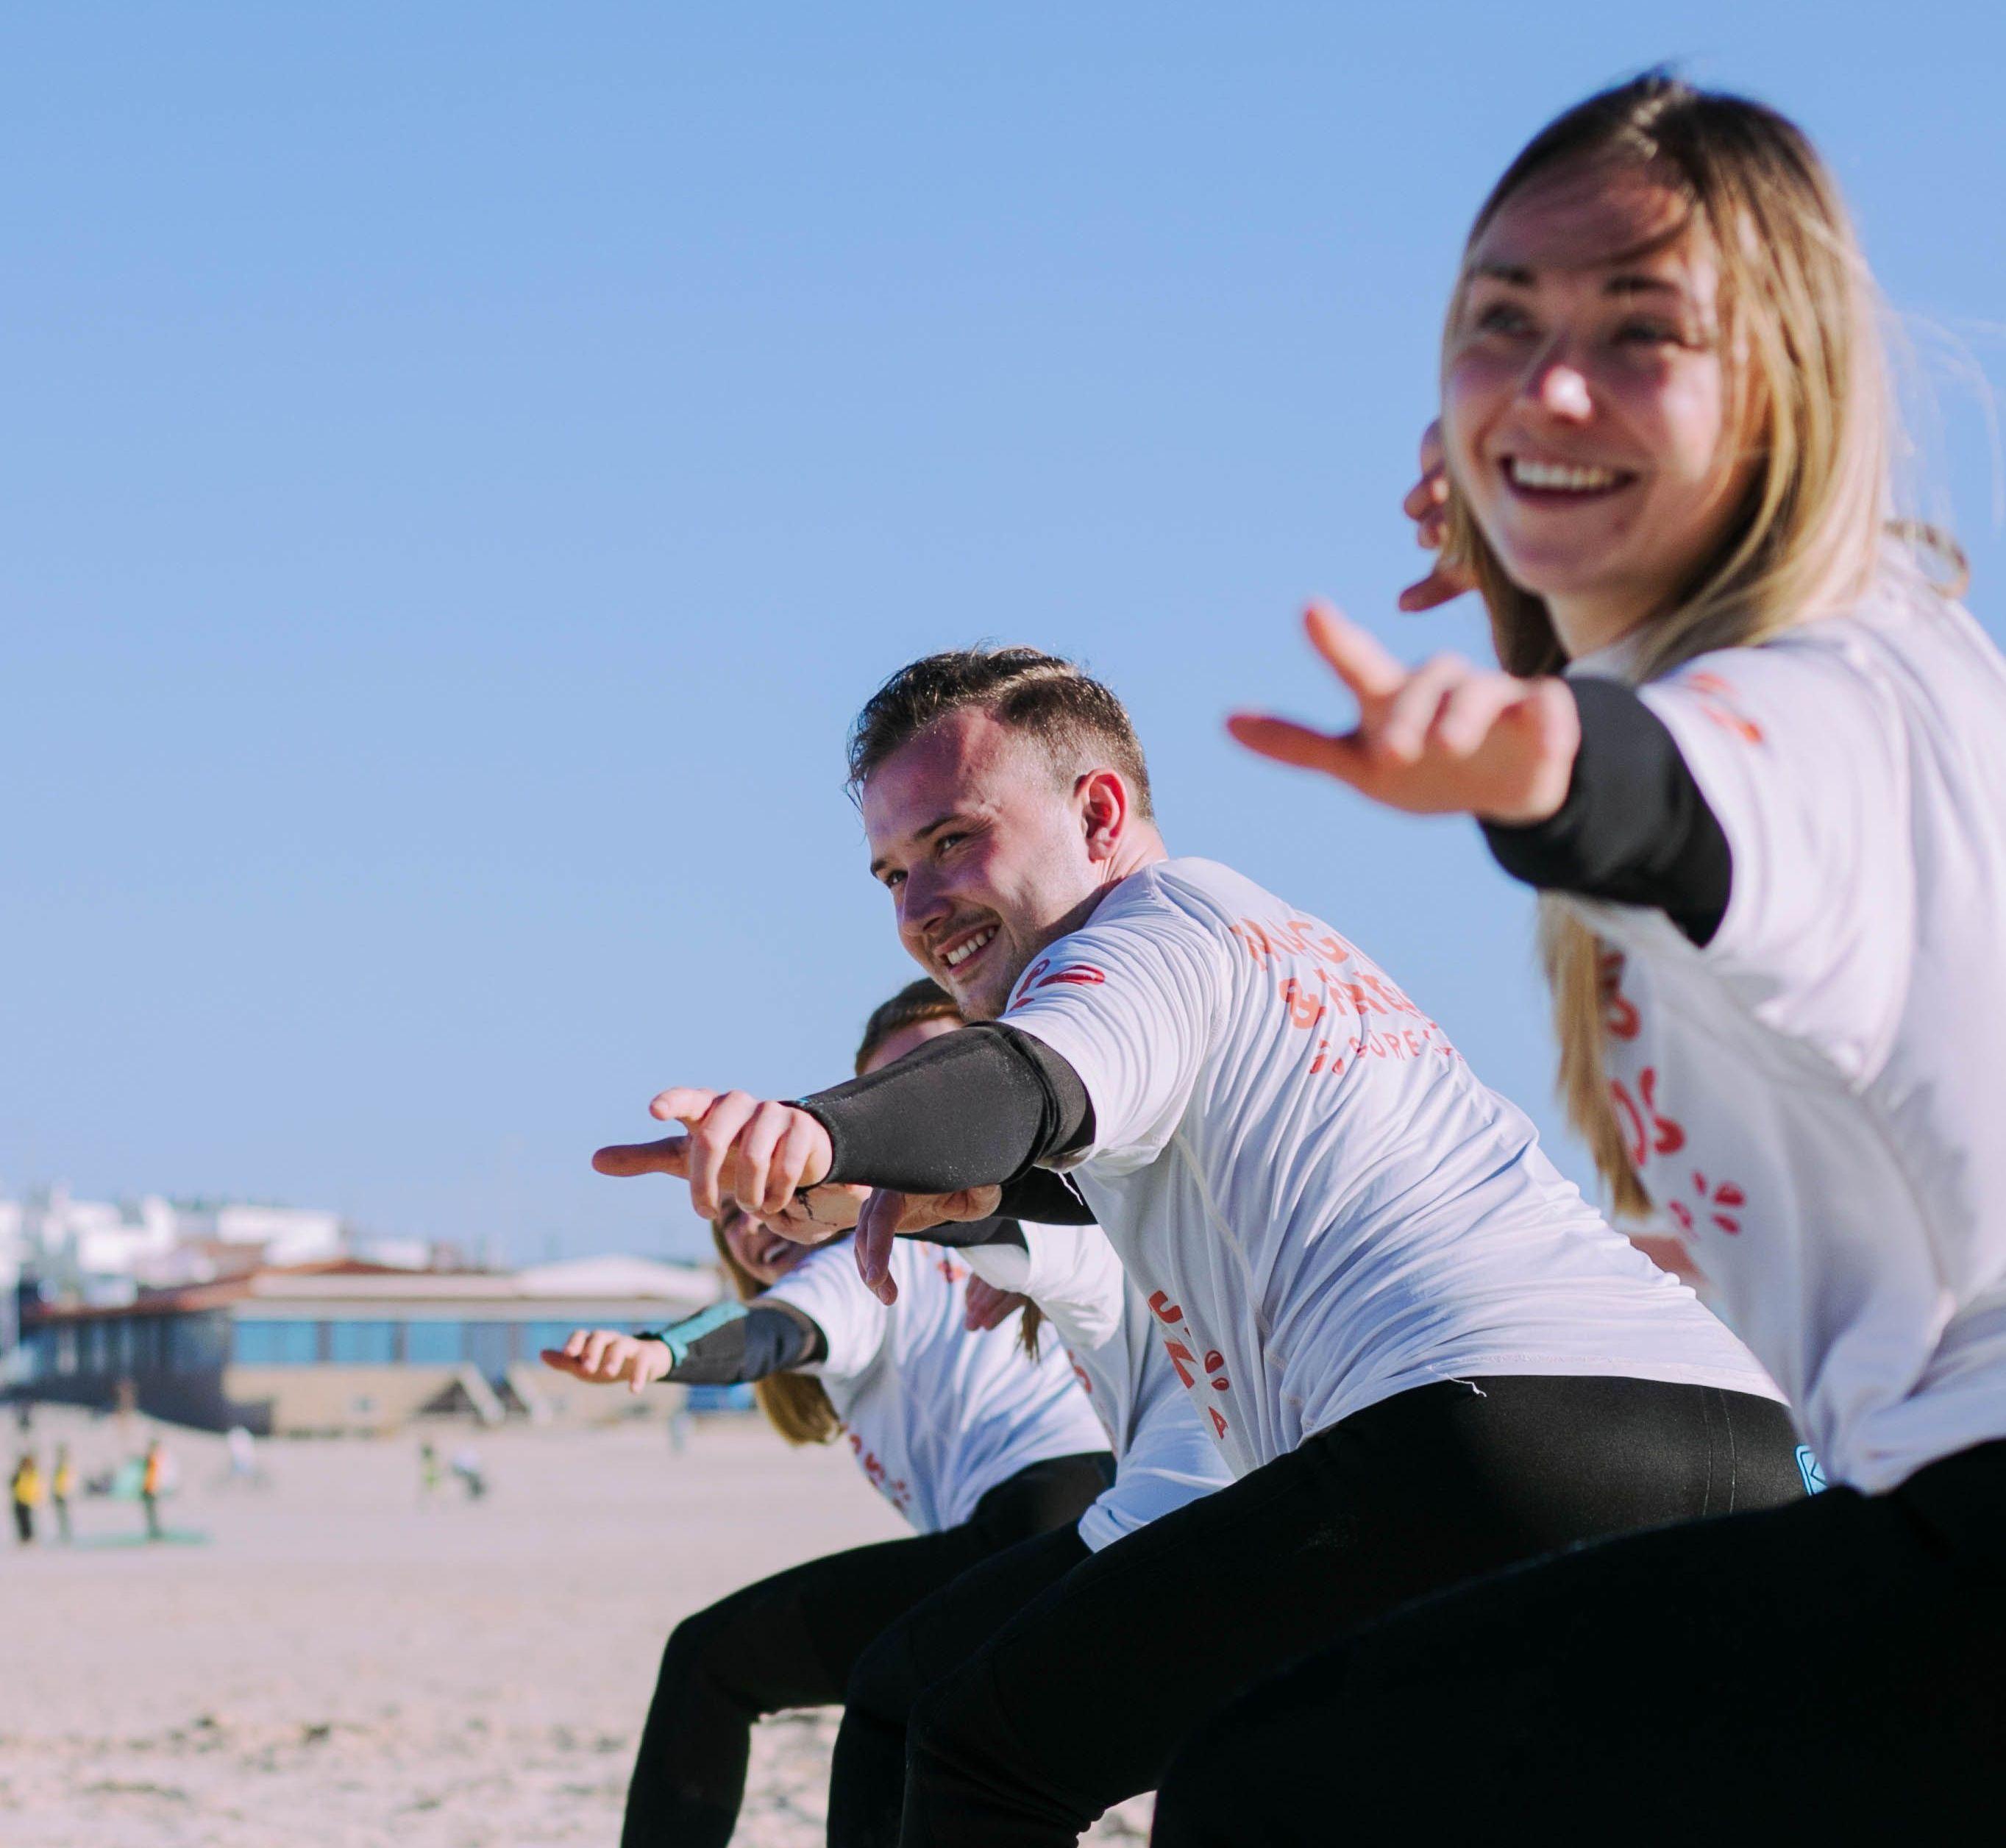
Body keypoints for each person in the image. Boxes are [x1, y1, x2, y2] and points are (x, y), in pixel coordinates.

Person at [1153, 73, 2006, 1844]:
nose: (1551, 383)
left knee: (1275, 1788)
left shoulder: (1823, 706)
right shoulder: (1879, 630)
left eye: (1638, 330)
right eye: (1501, 323)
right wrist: (1533, 573)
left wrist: (1537, 755)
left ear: (1779, 384)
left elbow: (1678, 793)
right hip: (1922, 1515)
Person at [596, 644, 1805, 1846]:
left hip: (1484, 1439)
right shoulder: (1276, 944)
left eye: (953, 840)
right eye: (892, 873)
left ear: (1098, 813)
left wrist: (820, 1127)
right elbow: (1118, 1150)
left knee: (982, 1747)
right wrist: (941, 1194)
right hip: (1744, 1444)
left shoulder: (1132, 939)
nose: (917, 908)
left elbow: (1028, 1081)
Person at [555, 981, 1113, 1848]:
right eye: (731, 1217)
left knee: (717, 1661)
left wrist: (662, 1352)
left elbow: (769, 1331)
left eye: (766, 1196)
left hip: (1046, 1518)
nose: (756, 1225)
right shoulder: (952, 1253)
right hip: (1073, 1525)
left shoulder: (862, 1259)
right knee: (942, 1734)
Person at [817, 985, 1234, 1844]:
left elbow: (1004, 1225)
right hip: (1214, 1511)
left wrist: (849, 1181)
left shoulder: (1087, 1182)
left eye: (939, 1083)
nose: (914, 1127)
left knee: (923, 1713)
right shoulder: (1083, 1206)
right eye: (891, 1102)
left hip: (1194, 1515)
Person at [10, 1451, 40, 1546]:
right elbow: (13, 1484)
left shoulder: (32, 1473)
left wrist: (36, 1498)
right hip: (19, 1500)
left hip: (27, 1500)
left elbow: (35, 1486)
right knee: (21, 1520)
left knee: (27, 1521)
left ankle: (29, 1538)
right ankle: (24, 1538)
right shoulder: (19, 1473)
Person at [50, 1443, 74, 1543]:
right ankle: (65, 1534)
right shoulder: (61, 1467)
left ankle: (66, 1534)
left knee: (64, 1515)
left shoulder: (63, 1466)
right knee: (62, 1515)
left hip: (62, 1494)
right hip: (60, 1494)